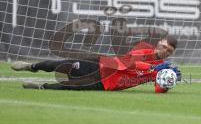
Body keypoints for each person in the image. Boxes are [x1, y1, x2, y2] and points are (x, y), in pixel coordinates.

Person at [11, 36, 181, 93]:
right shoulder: (144, 50)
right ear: (159, 43)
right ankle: (32, 67)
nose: (164, 50)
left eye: (169, 51)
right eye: (164, 46)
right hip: (101, 65)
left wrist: (168, 82)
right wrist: (153, 68)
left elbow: (158, 89)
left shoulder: (162, 70)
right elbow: (129, 64)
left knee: (72, 86)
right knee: (63, 64)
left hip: (107, 84)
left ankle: (41, 87)